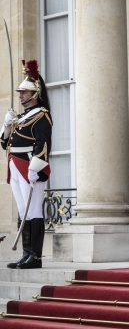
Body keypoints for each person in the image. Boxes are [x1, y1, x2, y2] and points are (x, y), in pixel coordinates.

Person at [1, 60, 52, 269]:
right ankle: (26, 254)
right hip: (14, 164)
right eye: (20, 92)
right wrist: (6, 125)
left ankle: (36, 257)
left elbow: (44, 143)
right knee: (23, 210)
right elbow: (5, 143)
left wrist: (35, 168)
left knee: (34, 210)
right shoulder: (21, 117)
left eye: (24, 92)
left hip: (30, 166)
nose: (20, 95)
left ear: (35, 94)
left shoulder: (42, 115)